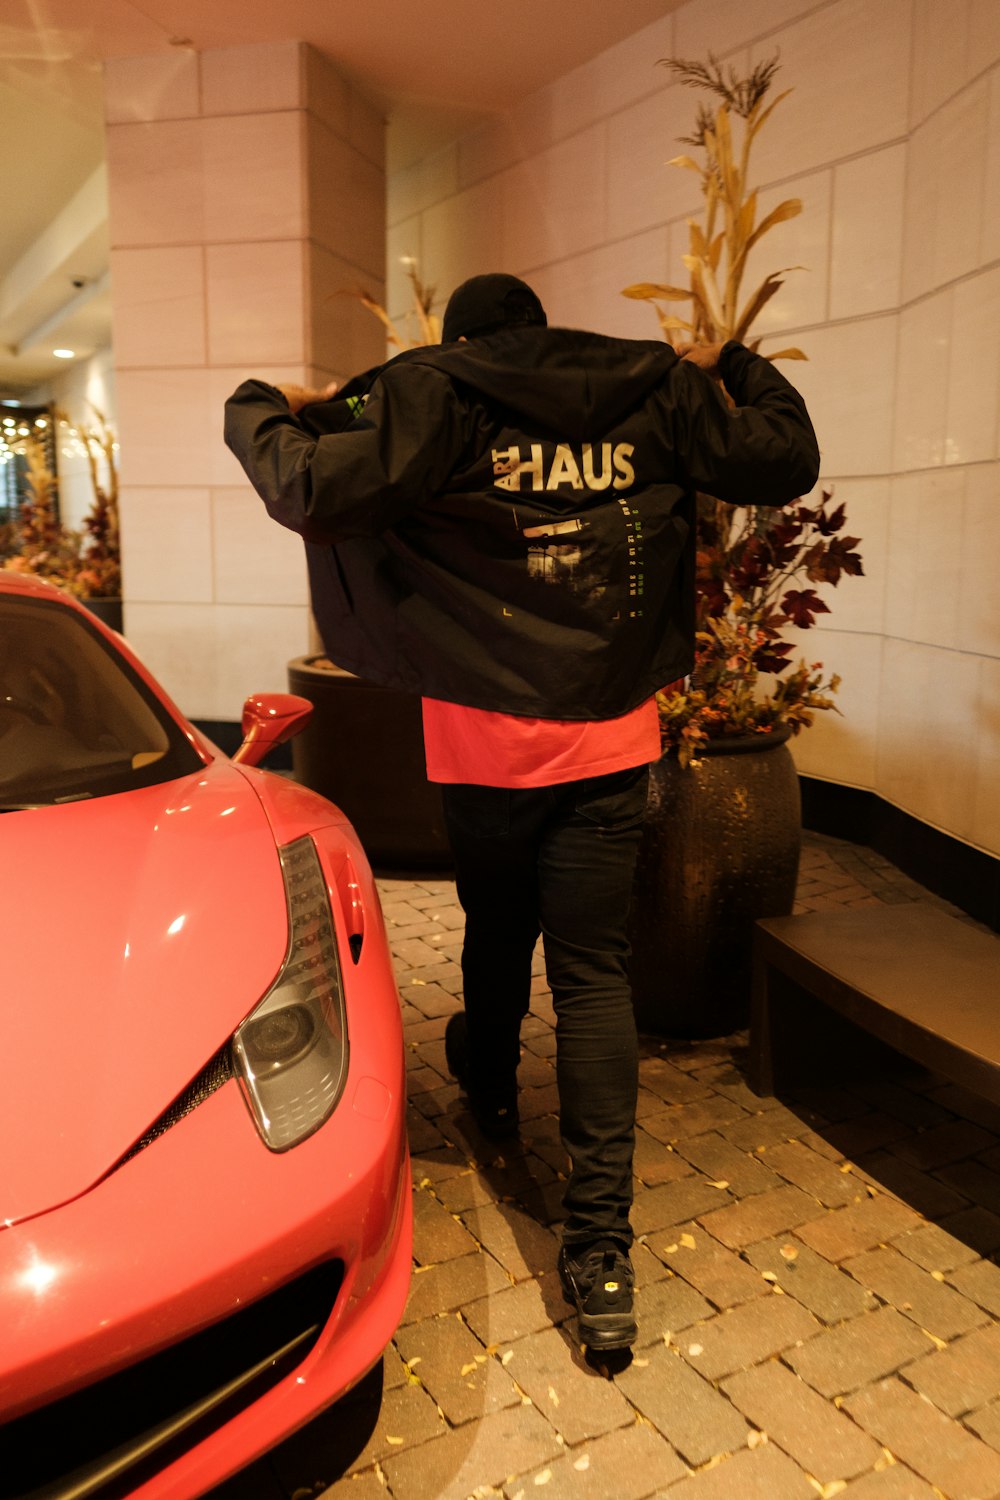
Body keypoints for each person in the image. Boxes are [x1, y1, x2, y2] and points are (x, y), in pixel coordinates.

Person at [224, 273, 819, 1350]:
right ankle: (598, 1261)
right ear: (540, 336)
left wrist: (266, 400)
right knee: (593, 974)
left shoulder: (435, 396)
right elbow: (781, 457)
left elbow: (309, 488)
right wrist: (731, 365)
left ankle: (491, 1092)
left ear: (460, 343)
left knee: (495, 926)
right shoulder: (648, 392)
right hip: (610, 744)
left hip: (479, 750)